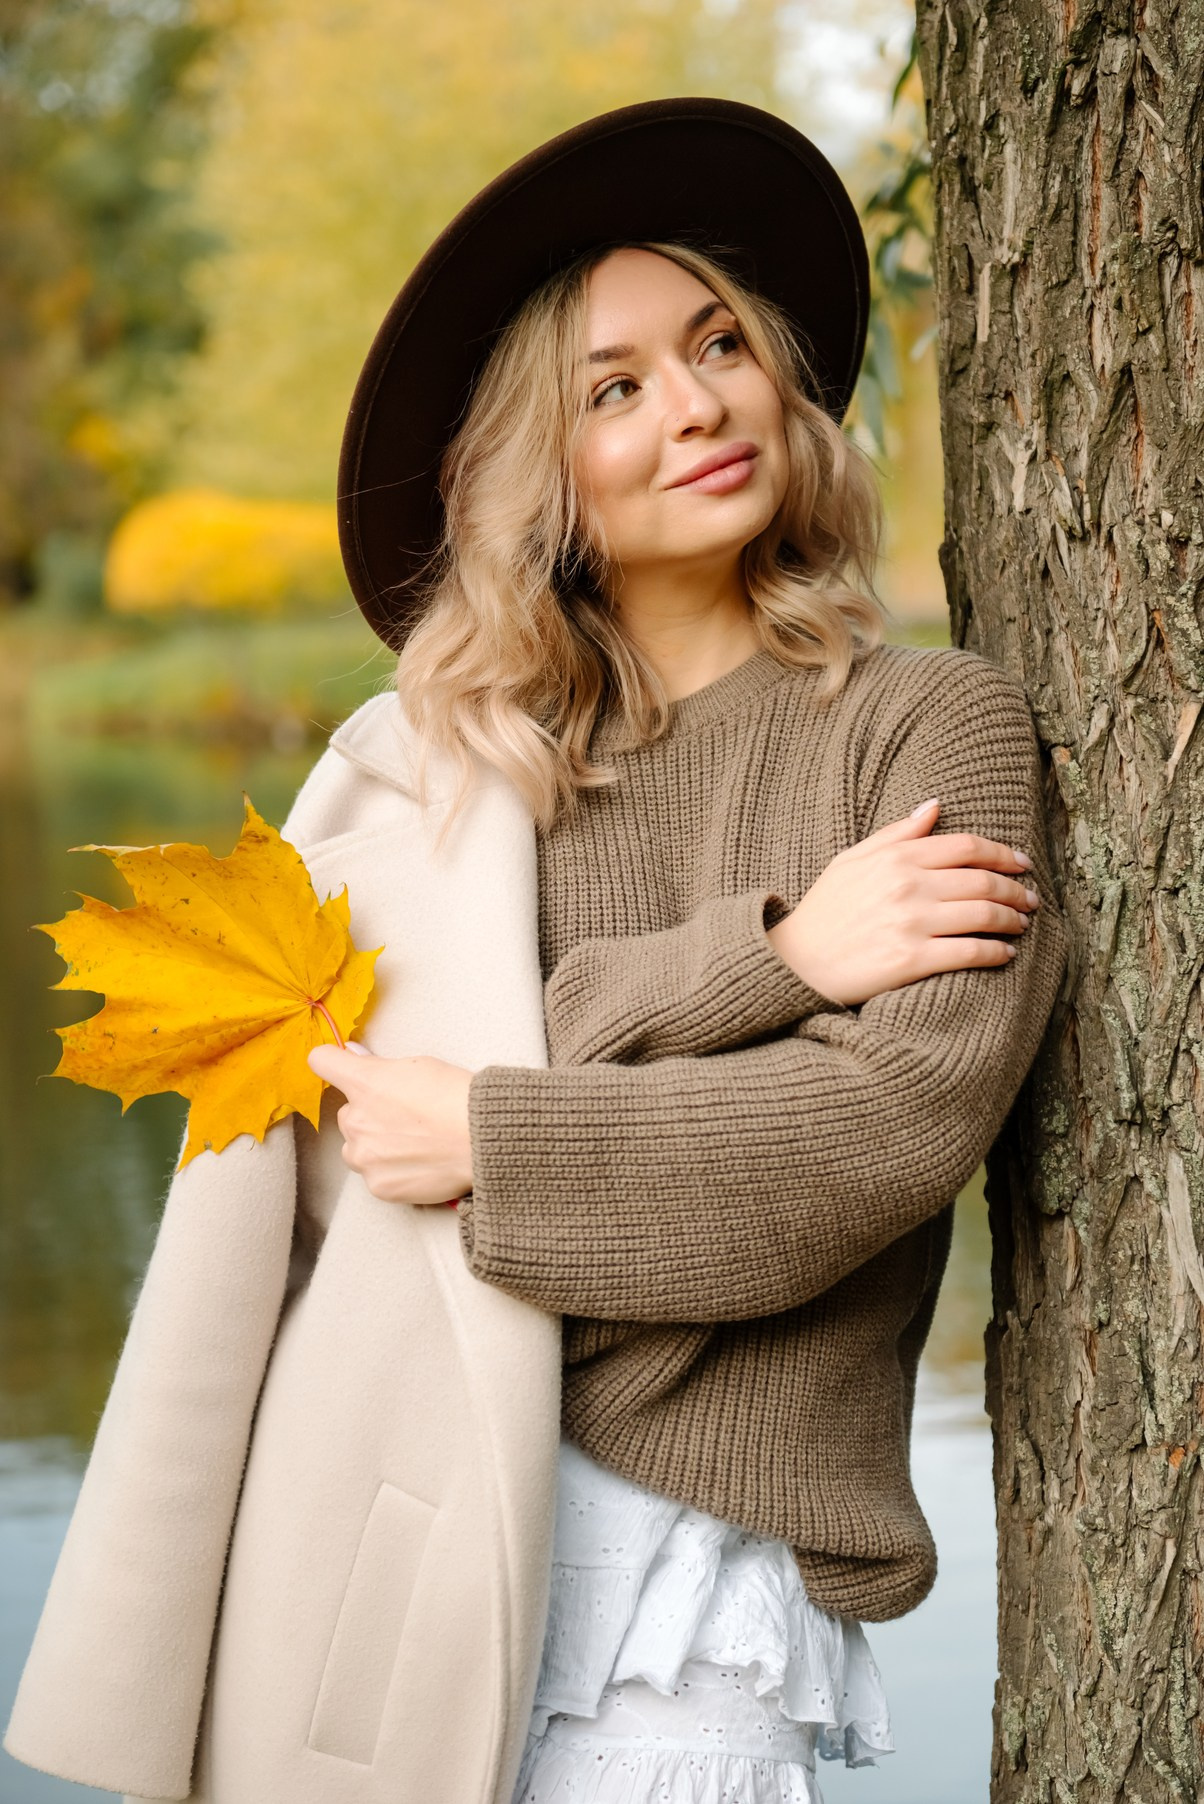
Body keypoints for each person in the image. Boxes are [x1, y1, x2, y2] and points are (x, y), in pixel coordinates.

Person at [299, 97, 1069, 1803]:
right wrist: (776, 958)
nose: (700, 405)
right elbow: (383, 1131)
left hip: (688, 1590)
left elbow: (862, 1143)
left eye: (719, 345)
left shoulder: (926, 727)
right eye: (615, 389)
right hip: (409, 1531)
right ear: (535, 474)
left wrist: (494, 1134)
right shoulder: (463, 778)